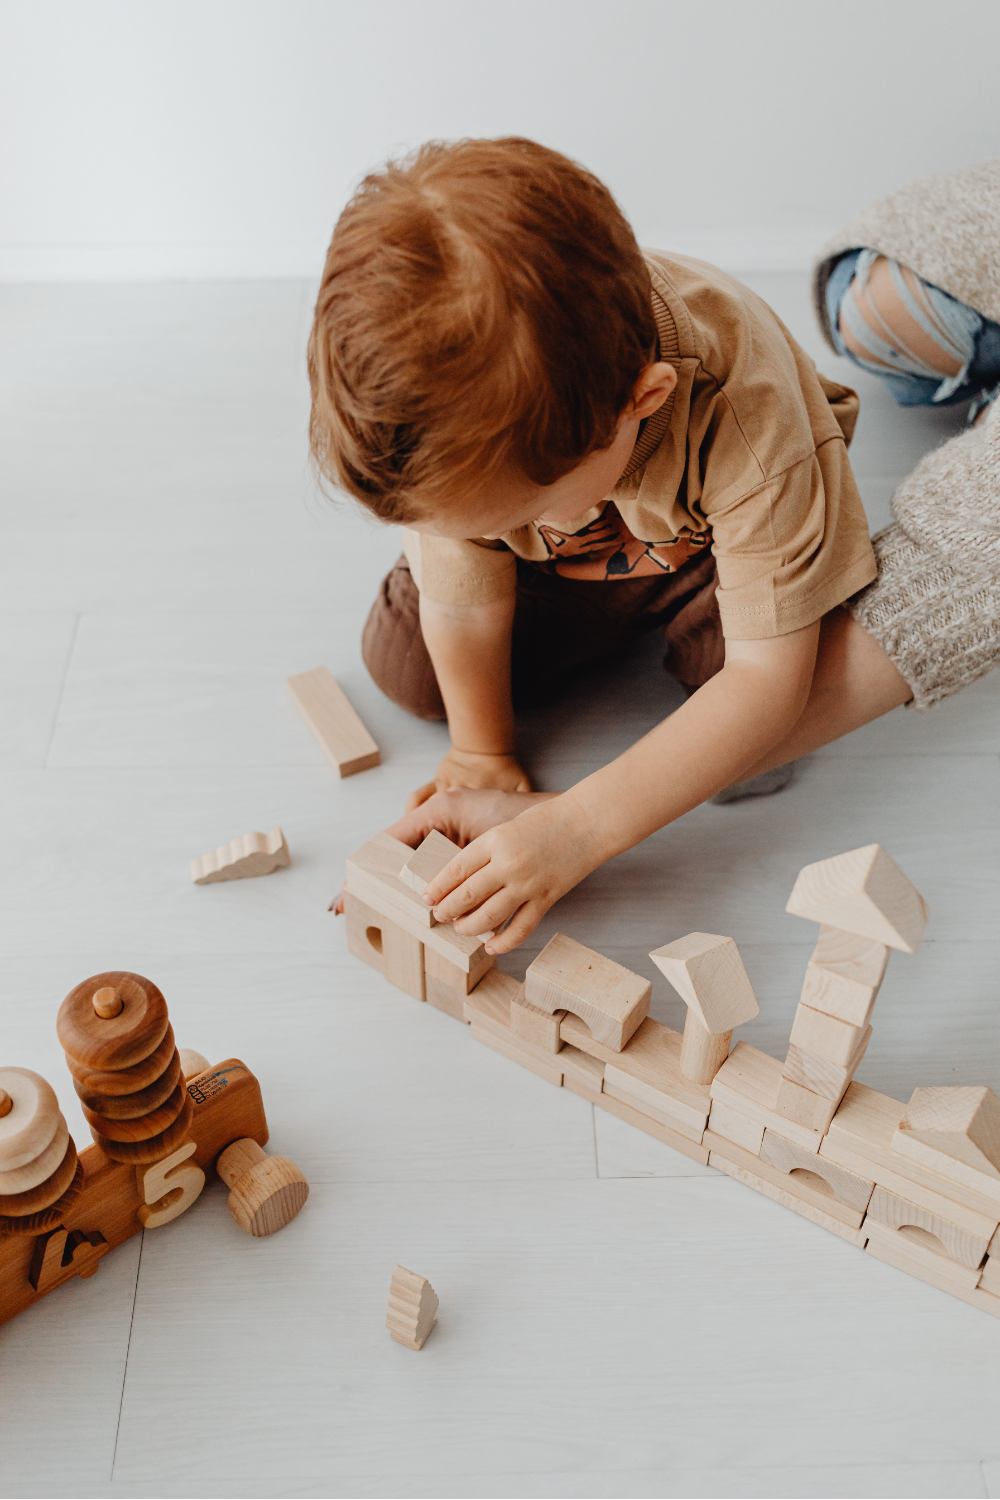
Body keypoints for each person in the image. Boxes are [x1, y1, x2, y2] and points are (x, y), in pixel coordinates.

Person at [308, 141, 987, 956]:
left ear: (646, 400)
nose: (466, 532)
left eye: (511, 509)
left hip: (707, 557)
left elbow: (768, 680)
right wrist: (480, 751)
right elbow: (462, 597)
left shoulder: (750, 411)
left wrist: (579, 827)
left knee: (758, 730)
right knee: (408, 671)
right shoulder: (467, 411)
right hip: (564, 561)